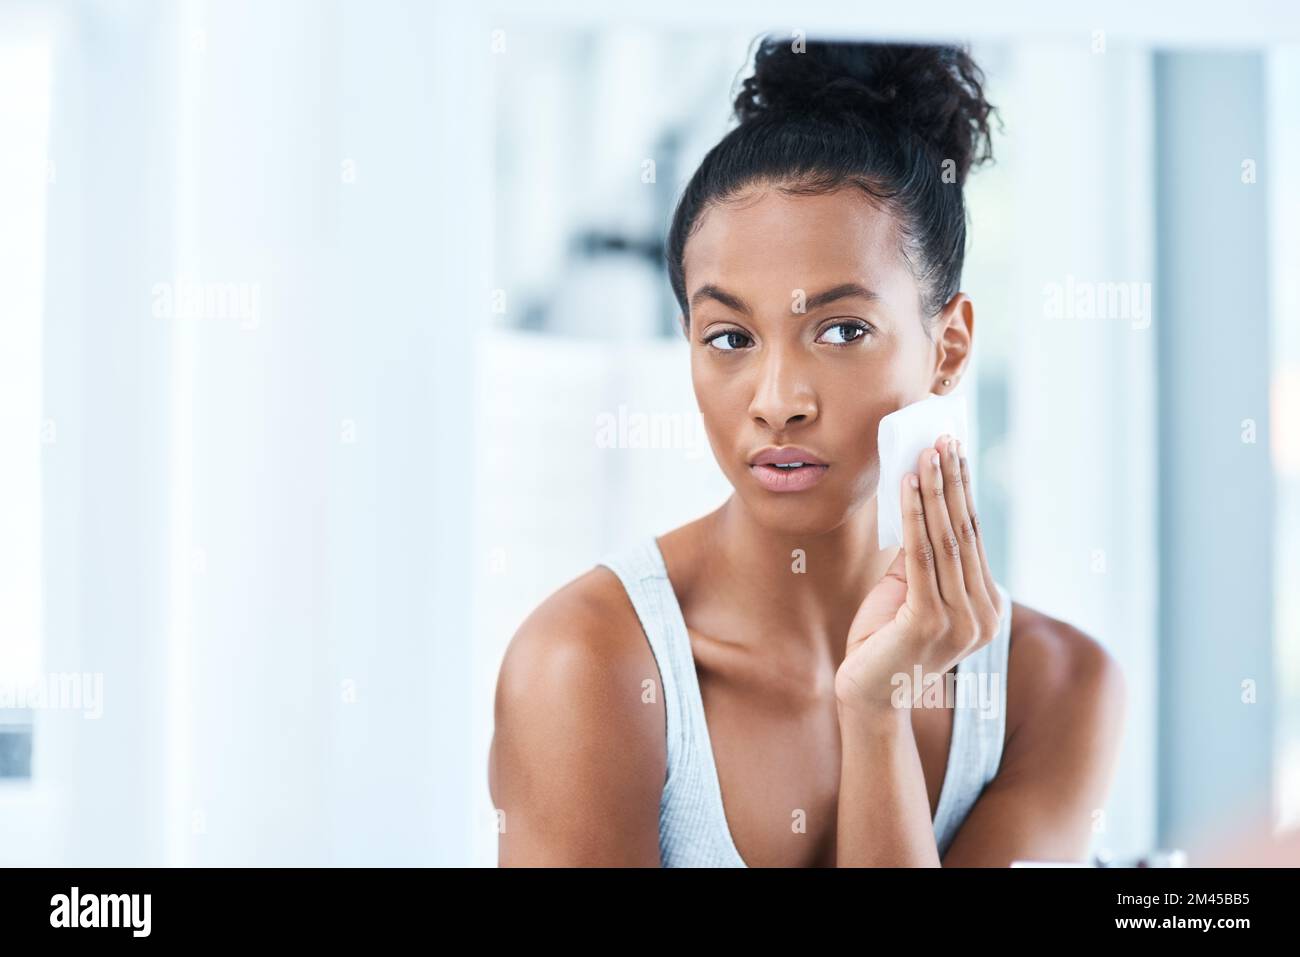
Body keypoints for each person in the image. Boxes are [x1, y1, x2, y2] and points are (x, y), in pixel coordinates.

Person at [489, 35, 1126, 867]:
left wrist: (874, 713)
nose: (777, 400)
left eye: (842, 329)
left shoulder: (1053, 686)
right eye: (729, 336)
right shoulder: (586, 668)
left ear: (950, 346)